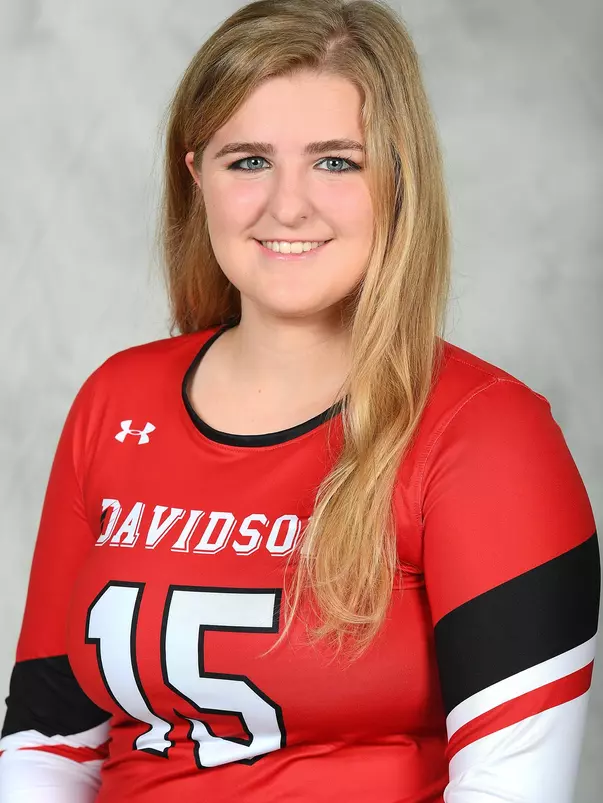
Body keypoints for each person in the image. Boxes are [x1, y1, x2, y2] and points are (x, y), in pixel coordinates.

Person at [0, 0, 599, 800]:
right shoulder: (118, 399)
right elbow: (45, 745)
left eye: (335, 162)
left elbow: (513, 787)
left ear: (398, 176)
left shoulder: (488, 433)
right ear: (195, 176)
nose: (288, 206)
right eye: (246, 160)